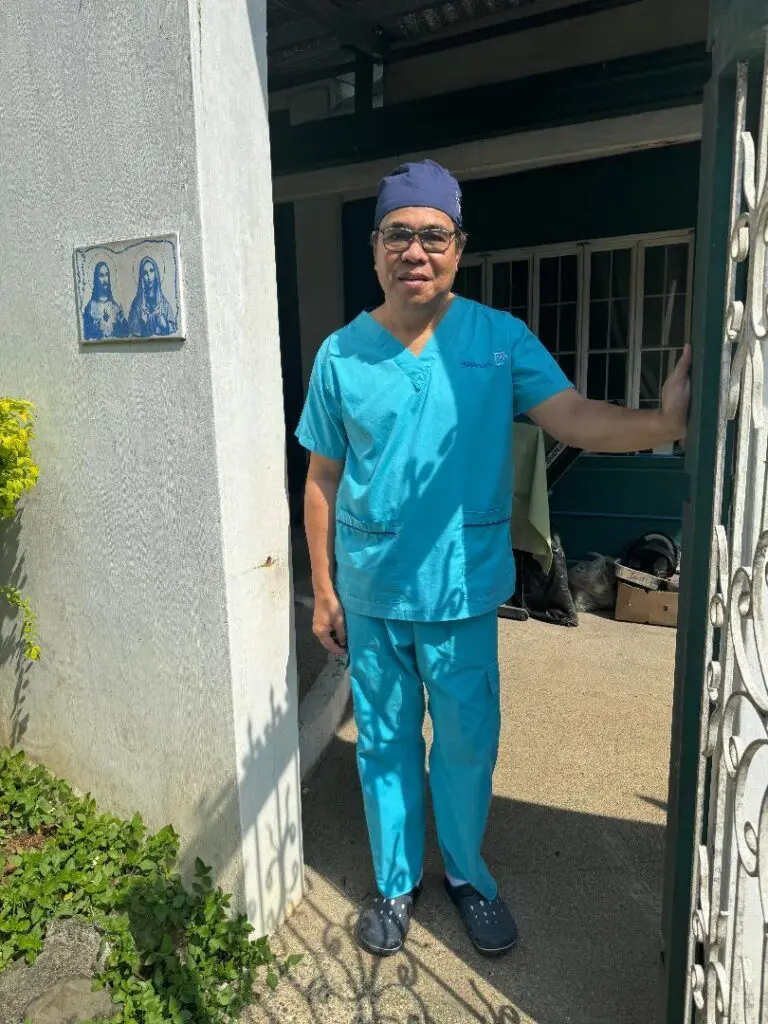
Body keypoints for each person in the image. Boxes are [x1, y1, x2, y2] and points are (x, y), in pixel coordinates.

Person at [296, 159, 691, 959]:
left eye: (432, 235)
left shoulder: (497, 342)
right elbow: (322, 479)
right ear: (375, 249)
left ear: (458, 247)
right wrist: (323, 590)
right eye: (398, 234)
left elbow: (575, 417)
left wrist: (661, 422)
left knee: (470, 742)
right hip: (372, 593)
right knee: (384, 741)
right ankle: (396, 882)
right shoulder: (342, 356)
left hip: (463, 590)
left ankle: (469, 875)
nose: (416, 250)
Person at [128, 256, 177, 337]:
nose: (149, 276)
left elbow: (173, 327)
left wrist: (165, 324)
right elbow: (131, 327)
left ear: (156, 273)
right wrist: (143, 324)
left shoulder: (163, 303)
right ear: (142, 277)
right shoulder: (137, 303)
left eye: (151, 271)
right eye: (145, 273)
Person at [82, 261, 128, 340]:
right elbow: (87, 334)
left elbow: (124, 333)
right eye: (101, 275)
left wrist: (121, 321)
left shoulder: (114, 306)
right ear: (96, 279)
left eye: (106, 275)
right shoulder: (90, 308)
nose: (105, 279)